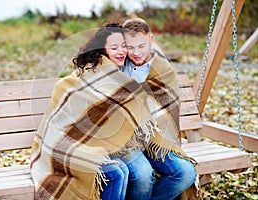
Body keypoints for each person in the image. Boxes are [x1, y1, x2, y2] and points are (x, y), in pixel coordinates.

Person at [30, 23, 155, 200]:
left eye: (123, 46)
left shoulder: (123, 72)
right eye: (114, 47)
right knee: (116, 173)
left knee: (142, 173)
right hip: (76, 143)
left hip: (114, 142)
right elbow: (64, 117)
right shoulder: (89, 74)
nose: (121, 51)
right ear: (102, 50)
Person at [122, 17, 198, 200]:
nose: (136, 53)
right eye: (130, 47)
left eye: (141, 46)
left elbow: (165, 112)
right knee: (142, 175)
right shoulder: (116, 65)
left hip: (157, 140)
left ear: (151, 39)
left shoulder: (163, 70)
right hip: (124, 140)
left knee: (186, 173)